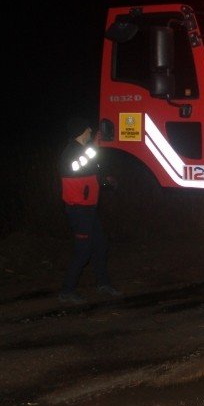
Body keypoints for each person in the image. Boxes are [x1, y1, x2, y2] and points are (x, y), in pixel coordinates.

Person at [58, 116, 121, 304]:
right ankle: (66, 292)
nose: (91, 131)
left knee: (101, 245)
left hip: (89, 209)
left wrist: (104, 181)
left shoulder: (81, 152)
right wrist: (96, 144)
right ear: (81, 131)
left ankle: (103, 284)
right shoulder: (70, 153)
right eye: (88, 129)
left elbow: (89, 173)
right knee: (83, 252)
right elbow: (80, 166)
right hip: (79, 211)